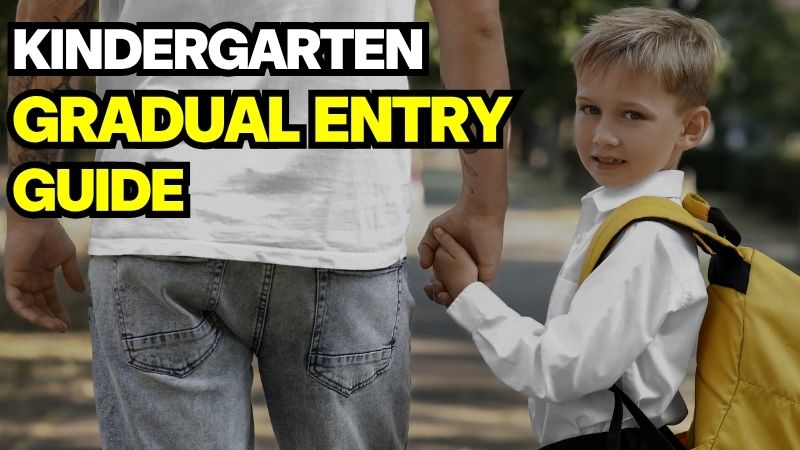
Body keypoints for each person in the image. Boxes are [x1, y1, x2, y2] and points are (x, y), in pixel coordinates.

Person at [4, 0, 509, 448]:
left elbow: (52, 13)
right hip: (341, 225)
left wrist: (31, 211)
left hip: (159, 226)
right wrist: (483, 207)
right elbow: (475, 22)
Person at [429, 7, 721, 449]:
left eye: (632, 115)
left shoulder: (649, 240)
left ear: (691, 127)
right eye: (590, 109)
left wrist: (471, 297)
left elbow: (560, 368)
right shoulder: (629, 223)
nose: (603, 135)